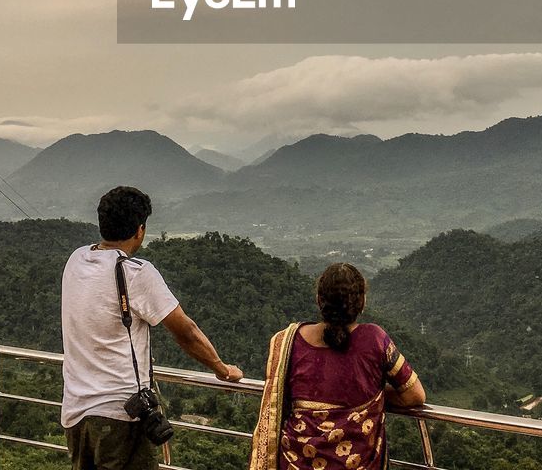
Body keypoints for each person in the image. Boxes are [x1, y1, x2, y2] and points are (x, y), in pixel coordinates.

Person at [62, 185, 244, 470]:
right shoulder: (136, 273)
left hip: (75, 415)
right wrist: (222, 369)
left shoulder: (76, 260)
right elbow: (186, 331)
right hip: (120, 416)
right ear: (140, 230)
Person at [249, 263, 426, 470]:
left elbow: (280, 401)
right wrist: (371, 396)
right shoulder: (375, 340)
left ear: (319, 300)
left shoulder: (288, 341)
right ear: (362, 303)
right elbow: (415, 396)